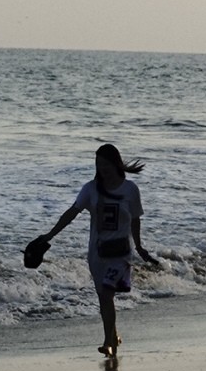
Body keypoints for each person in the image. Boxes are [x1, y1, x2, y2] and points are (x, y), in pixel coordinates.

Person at [41, 144, 157, 356]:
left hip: (121, 254)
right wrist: (48, 236)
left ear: (115, 163)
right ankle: (113, 334)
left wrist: (139, 247)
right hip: (97, 254)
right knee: (104, 298)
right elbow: (71, 213)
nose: (102, 168)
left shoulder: (130, 189)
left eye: (105, 164)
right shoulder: (90, 189)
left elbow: (135, 220)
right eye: (98, 164)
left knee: (106, 294)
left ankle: (108, 342)